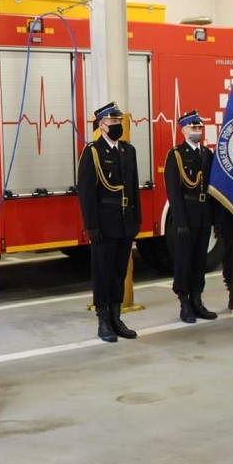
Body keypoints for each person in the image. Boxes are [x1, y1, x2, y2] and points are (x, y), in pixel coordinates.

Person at [77, 102, 142, 342]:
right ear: (102, 125)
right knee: (103, 272)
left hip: (125, 223)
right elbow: (86, 192)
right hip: (104, 224)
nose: (118, 125)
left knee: (118, 272)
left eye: (119, 121)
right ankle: (103, 320)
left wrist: (137, 220)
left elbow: (133, 187)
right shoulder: (93, 152)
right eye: (113, 122)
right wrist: (91, 225)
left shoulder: (128, 151)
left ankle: (117, 317)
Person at [163, 110, 218, 323]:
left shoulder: (207, 154)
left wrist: (214, 219)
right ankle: (184, 302)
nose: (197, 131)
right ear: (184, 130)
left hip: (204, 215)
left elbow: (212, 189)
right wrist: (180, 221)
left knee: (199, 260)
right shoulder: (176, 155)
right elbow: (174, 192)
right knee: (184, 260)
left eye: (199, 128)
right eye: (193, 128)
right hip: (187, 214)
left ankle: (197, 299)